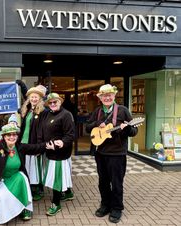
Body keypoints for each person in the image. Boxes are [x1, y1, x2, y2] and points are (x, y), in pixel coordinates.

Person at [85, 84, 138, 223]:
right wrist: (97, 123)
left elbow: (134, 131)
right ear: (100, 98)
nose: (107, 97)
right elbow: (87, 128)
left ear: (114, 96)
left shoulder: (123, 111)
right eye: (104, 95)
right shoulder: (97, 111)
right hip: (100, 153)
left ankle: (117, 208)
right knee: (102, 182)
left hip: (117, 154)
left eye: (109, 95)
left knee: (116, 182)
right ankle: (105, 205)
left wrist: (125, 129)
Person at [40, 93, 75, 216]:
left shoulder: (66, 115)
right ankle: (69, 193)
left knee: (57, 178)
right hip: (50, 151)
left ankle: (56, 204)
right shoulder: (48, 113)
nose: (53, 104)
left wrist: (61, 142)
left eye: (55, 102)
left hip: (60, 153)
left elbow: (70, 135)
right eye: (50, 102)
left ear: (60, 102)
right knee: (60, 175)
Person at [19, 84, 47, 201]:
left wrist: (40, 147)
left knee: (37, 167)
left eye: (36, 97)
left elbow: (42, 130)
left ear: (40, 98)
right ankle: (30, 187)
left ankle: (39, 190)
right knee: (28, 166)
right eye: (32, 97)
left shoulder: (43, 111)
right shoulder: (28, 109)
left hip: (35, 144)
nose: (34, 99)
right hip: (24, 142)